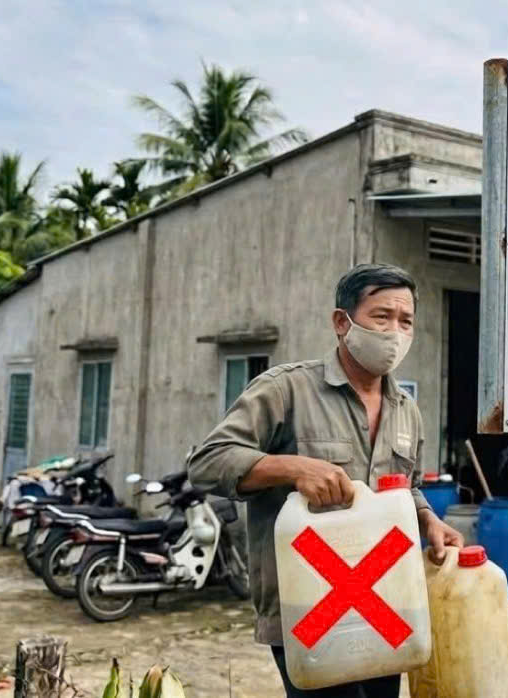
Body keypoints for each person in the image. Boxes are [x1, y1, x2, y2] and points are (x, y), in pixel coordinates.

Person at [188, 263, 464, 697]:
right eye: (382, 316)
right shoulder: (286, 390)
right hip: (309, 611)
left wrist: (428, 519)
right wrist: (293, 468)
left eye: (405, 321)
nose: (395, 332)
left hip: (388, 606)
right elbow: (207, 462)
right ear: (342, 322)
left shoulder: (406, 409)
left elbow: (405, 486)